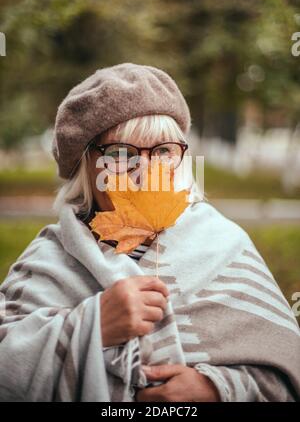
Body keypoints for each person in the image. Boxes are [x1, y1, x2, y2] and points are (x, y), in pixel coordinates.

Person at [0, 62, 299, 402]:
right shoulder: (48, 260)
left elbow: (286, 374)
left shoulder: (226, 247)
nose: (146, 169)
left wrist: (217, 390)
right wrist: (91, 326)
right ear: (85, 167)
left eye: (163, 152)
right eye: (120, 153)